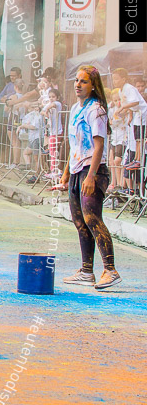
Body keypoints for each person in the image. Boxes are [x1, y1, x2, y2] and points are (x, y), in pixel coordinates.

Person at [58, 66, 121, 290]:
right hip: (77, 168)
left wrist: (91, 175)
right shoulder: (76, 108)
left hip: (91, 169)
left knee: (92, 218)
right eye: (76, 80)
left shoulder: (96, 110)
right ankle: (86, 271)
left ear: (93, 85)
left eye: (83, 81)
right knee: (79, 221)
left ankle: (110, 269)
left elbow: (98, 145)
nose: (78, 84)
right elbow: (74, 144)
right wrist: (66, 173)